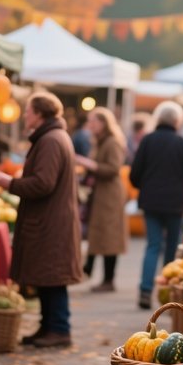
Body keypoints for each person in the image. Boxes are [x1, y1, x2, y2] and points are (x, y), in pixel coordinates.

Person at [0, 92, 81, 348]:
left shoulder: (50, 140)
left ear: (39, 114)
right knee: (47, 276)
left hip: (51, 221)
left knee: (52, 277)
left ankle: (60, 328)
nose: (25, 115)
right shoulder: (53, 137)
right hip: (51, 219)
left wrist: (10, 182)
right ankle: (49, 326)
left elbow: (43, 183)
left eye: (28, 110)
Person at [130, 100, 183, 309]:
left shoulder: (148, 141)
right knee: (171, 248)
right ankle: (168, 295)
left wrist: (146, 187)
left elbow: (134, 175)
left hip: (151, 202)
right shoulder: (182, 143)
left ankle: (145, 290)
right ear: (177, 121)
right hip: (176, 203)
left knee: (152, 245)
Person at [75, 107, 128, 292]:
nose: (90, 125)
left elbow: (113, 169)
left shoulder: (112, 142)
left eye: (94, 121)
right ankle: (89, 271)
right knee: (98, 235)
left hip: (109, 196)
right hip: (101, 194)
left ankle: (108, 279)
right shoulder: (99, 141)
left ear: (104, 123)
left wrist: (91, 164)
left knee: (109, 237)